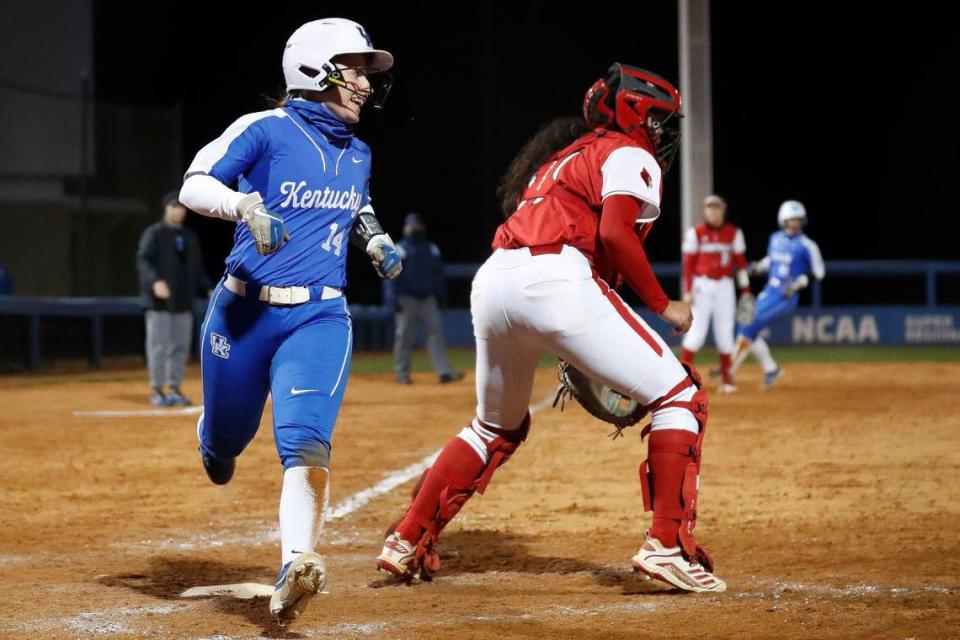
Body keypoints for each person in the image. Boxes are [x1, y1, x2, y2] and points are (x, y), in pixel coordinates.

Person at [376, 63, 726, 593]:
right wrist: (661, 304)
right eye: (657, 120)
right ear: (636, 112)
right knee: (682, 397)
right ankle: (667, 545)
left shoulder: (562, 157)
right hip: (556, 278)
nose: (660, 133)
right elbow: (613, 234)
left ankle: (407, 537)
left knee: (494, 427)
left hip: (494, 279)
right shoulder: (629, 153)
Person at [178, 18, 401, 623]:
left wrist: (375, 239)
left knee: (305, 439)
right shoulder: (265, 130)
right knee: (226, 443)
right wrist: (243, 205)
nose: (363, 82)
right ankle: (213, 438)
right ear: (315, 69)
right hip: (243, 313)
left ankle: (297, 562)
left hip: (320, 314)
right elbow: (194, 184)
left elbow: (359, 203)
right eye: (353, 68)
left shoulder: (358, 150)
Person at [728, 200, 824, 388]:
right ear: (783, 220)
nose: (795, 223)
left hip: (785, 295)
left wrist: (797, 285)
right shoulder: (775, 238)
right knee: (747, 325)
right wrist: (759, 267)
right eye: (791, 220)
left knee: (749, 324)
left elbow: (819, 272)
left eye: (798, 220)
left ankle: (728, 370)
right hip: (769, 291)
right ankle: (771, 369)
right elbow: (772, 260)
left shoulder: (807, 245)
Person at [136, 192, 211, 406]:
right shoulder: (154, 233)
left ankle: (175, 387)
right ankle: (158, 389)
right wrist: (155, 281)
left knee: (180, 346)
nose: (178, 211)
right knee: (158, 346)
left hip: (183, 301)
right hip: (159, 303)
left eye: (181, 207)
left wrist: (208, 288)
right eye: (174, 206)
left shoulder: (189, 237)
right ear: (166, 209)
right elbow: (144, 261)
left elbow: (197, 268)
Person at [679, 195, 751, 394]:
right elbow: (688, 266)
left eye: (717, 208)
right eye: (710, 208)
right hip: (702, 286)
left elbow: (741, 265)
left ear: (723, 209)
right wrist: (688, 291)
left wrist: (745, 291)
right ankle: (682, 381)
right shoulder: (696, 232)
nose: (713, 211)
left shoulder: (734, 233)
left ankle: (726, 381)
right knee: (696, 334)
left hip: (725, 287)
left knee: (725, 334)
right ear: (705, 210)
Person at [384, 212, 464, 384]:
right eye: (412, 225)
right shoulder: (400, 249)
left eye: (418, 225)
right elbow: (391, 275)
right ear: (406, 228)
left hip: (428, 299)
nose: (416, 228)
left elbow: (438, 276)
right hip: (406, 299)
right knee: (404, 337)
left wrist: (442, 296)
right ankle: (402, 374)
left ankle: (445, 372)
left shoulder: (431, 248)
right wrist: (393, 299)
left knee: (436, 335)